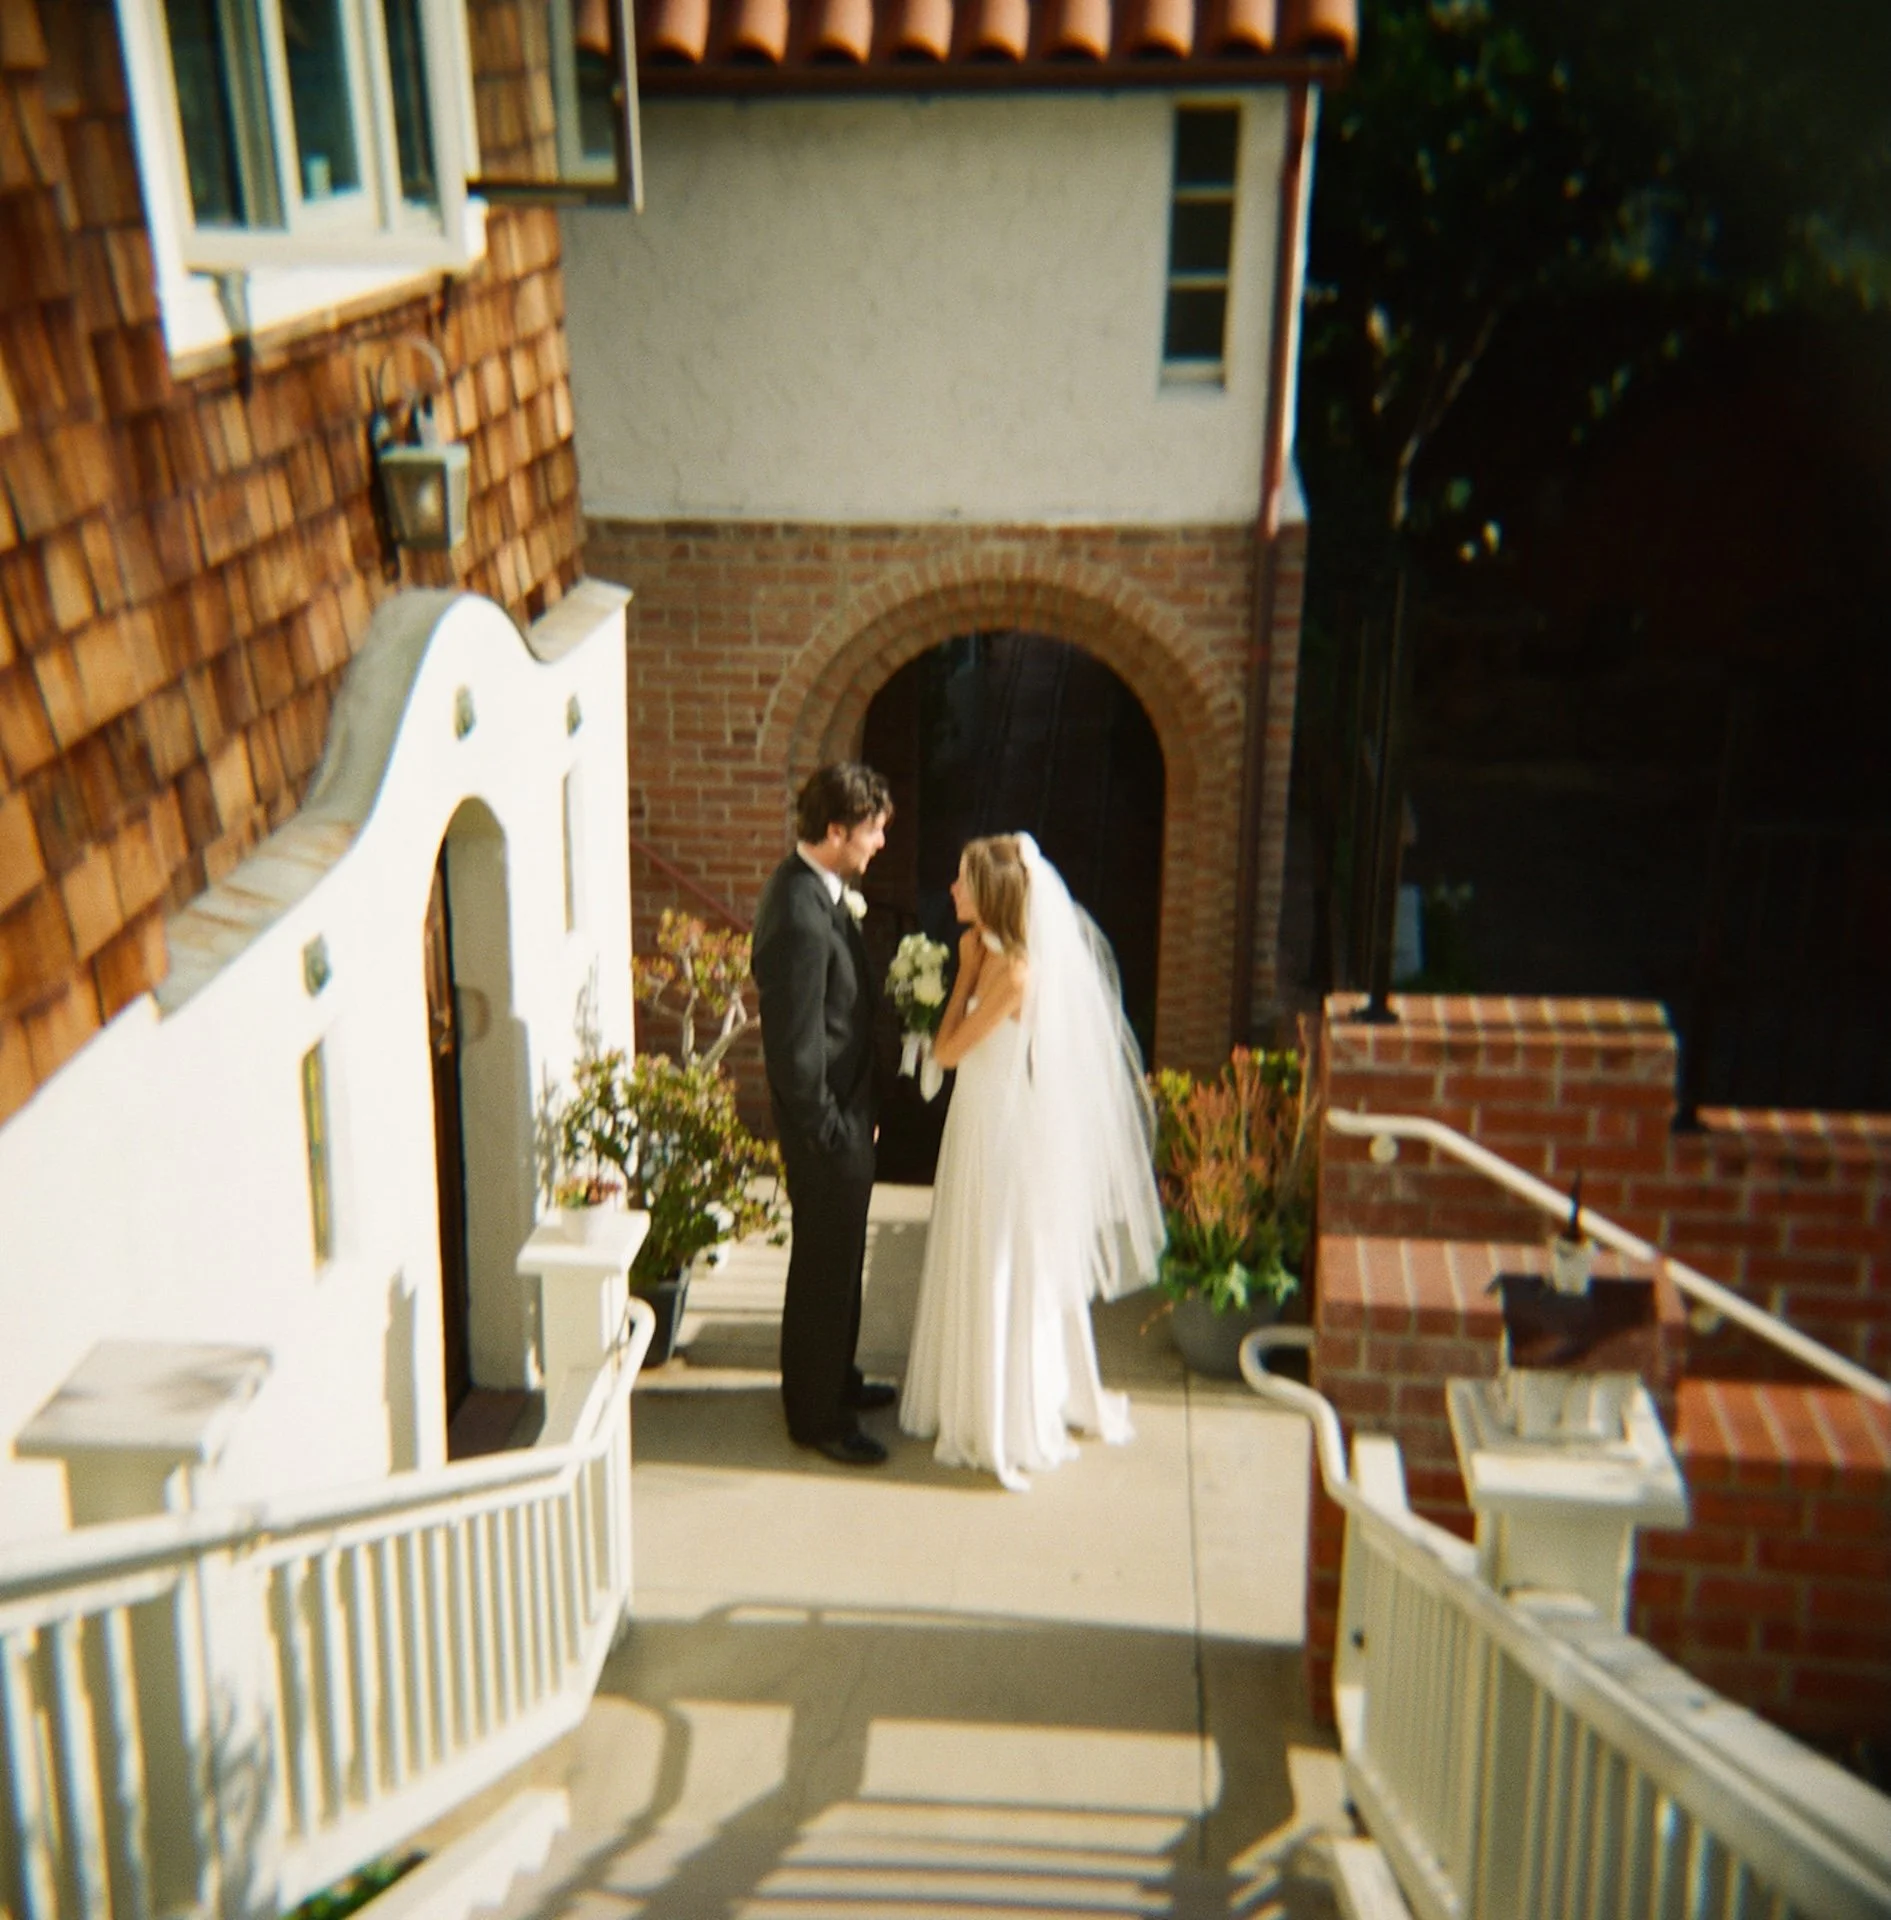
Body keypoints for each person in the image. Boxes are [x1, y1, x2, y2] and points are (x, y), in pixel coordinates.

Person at [899, 834, 1164, 1490]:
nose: (953, 890)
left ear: (988, 895)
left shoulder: (1012, 970)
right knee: (969, 1247)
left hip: (1002, 1132)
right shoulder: (987, 949)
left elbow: (949, 1051)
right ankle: (959, 1391)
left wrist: (962, 971)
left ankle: (1001, 1411)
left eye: (962, 881)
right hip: (974, 1123)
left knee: (997, 1258)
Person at [752, 762, 898, 1467]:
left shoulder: (824, 892)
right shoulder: (798, 914)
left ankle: (837, 1378)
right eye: (871, 831)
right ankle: (816, 1417)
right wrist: (831, 1129)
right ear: (836, 831)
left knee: (838, 1266)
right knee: (821, 1272)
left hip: (846, 1116)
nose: (878, 843)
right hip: (825, 1132)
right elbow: (794, 1047)